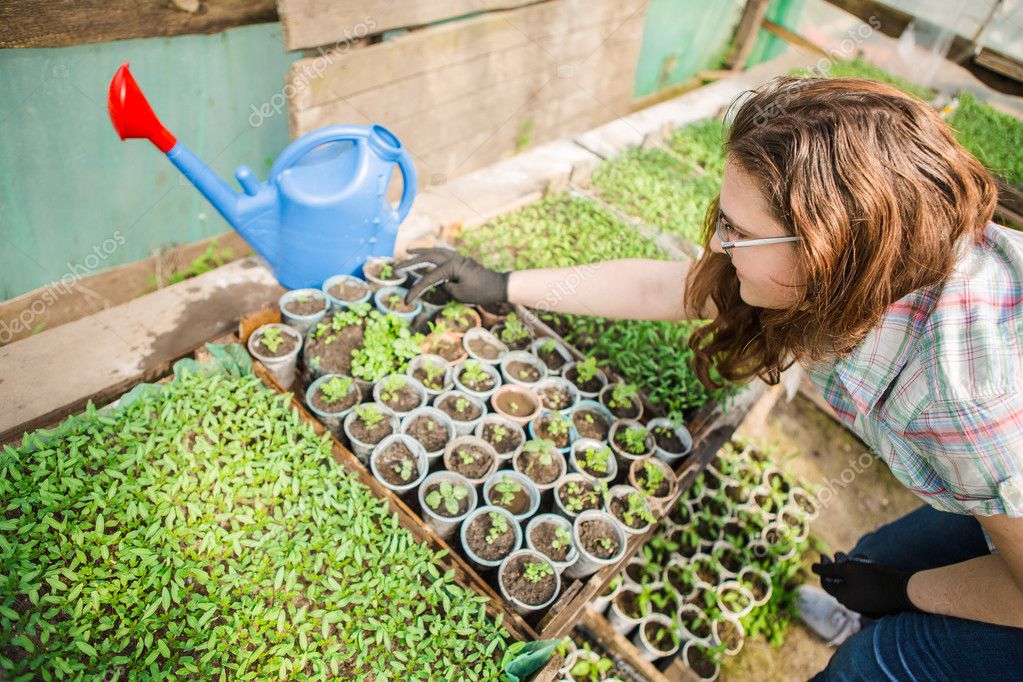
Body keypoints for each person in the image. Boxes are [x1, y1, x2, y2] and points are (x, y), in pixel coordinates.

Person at [396, 75, 1023, 680]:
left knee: (878, 660)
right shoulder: (869, 264)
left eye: (741, 233)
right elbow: (676, 286)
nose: (719, 245)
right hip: (1001, 491)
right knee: (883, 557)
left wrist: (905, 594)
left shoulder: (963, 405)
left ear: (829, 250)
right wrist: (502, 286)